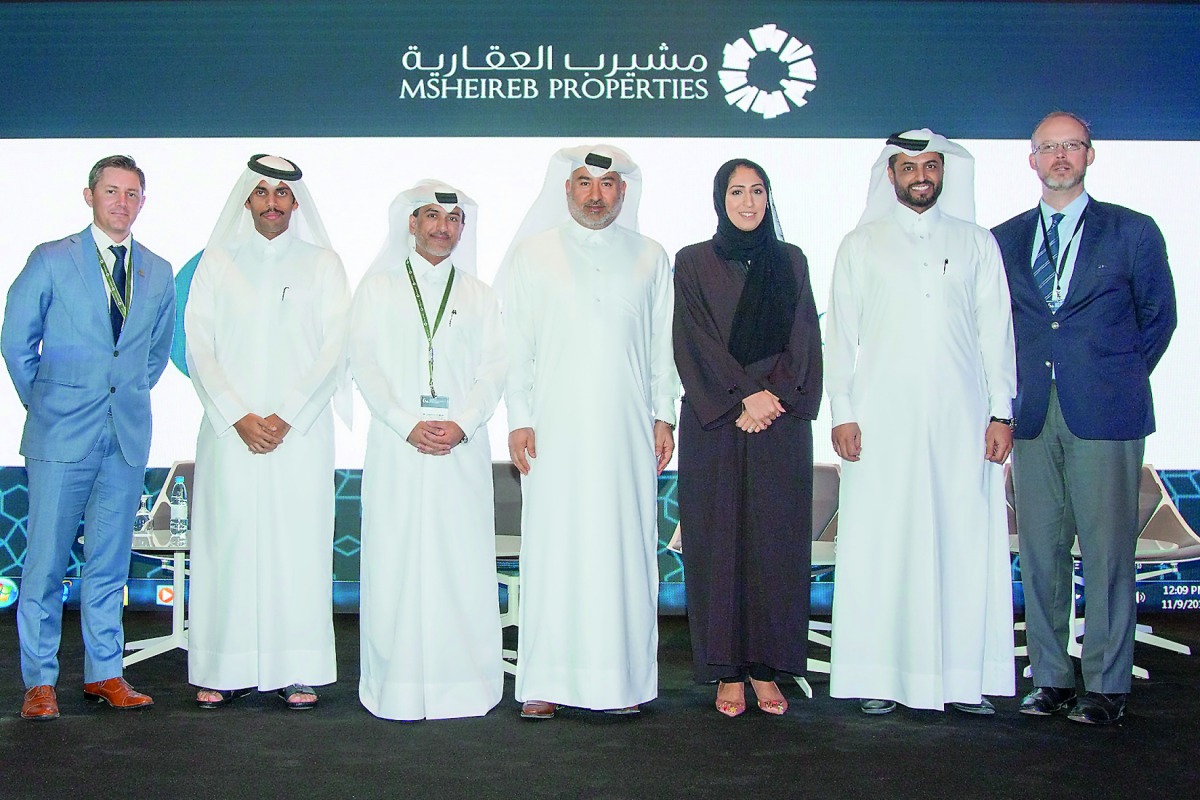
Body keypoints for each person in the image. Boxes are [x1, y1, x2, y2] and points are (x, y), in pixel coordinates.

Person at [992, 112, 1176, 725]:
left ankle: (1105, 682)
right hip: (1034, 416)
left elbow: (1159, 318)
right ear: (1032, 161)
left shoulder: (1133, 231)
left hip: (1106, 412)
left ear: (1091, 155)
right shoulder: (1004, 238)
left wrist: (1113, 374)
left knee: (1107, 552)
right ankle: (1049, 677)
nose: (1060, 158)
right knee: (1042, 552)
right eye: (1048, 148)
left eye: (1072, 147)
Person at [825, 130, 1017, 716]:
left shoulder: (977, 242)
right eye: (909, 167)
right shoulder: (860, 244)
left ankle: (963, 678)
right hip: (881, 424)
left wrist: (1001, 412)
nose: (921, 176)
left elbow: (997, 334)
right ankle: (881, 678)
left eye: (931, 165)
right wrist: (843, 413)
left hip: (963, 423)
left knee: (961, 543)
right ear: (891, 176)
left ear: (943, 172)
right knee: (884, 545)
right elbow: (840, 336)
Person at [501, 144, 679, 720]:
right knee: (556, 549)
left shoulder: (651, 256)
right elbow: (517, 348)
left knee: (621, 549)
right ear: (567, 190)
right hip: (552, 431)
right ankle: (545, 682)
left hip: (627, 431)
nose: (595, 194)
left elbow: (661, 348)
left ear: (622, 193)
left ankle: (619, 682)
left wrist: (664, 415)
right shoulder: (531, 255)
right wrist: (519, 418)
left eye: (606, 185)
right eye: (584, 183)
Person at [2, 155, 176, 720]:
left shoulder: (158, 270)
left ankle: (105, 673)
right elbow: (15, 341)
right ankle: (40, 682)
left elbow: (152, 356)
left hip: (124, 437)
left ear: (142, 202)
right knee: (46, 564)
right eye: (111, 191)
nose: (121, 202)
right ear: (89, 195)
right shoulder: (51, 260)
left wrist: (117, 393)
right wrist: (47, 400)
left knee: (108, 563)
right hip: (59, 436)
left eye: (132, 193)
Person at [184, 154, 351, 710]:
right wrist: (237, 414)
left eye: (282, 194)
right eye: (261, 193)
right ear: (247, 200)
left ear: (296, 203)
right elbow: (199, 345)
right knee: (228, 543)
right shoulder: (217, 262)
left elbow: (334, 348)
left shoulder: (323, 263)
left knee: (296, 545)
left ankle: (295, 668)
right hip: (231, 434)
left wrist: (286, 415)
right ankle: (223, 667)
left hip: (298, 435)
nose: (272, 203)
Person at [351, 180, 507, 720]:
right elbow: (364, 366)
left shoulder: (481, 295)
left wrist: (461, 424)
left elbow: (494, 372)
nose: (443, 228)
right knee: (395, 561)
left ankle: (463, 686)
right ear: (411, 224)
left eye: (454, 219)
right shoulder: (376, 290)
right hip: (398, 448)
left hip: (461, 450)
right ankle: (395, 686)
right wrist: (404, 422)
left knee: (459, 565)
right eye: (432, 217)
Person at [672, 159, 822, 717]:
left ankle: (766, 668)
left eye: (758, 191)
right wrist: (741, 398)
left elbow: (805, 336)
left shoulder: (792, 261)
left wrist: (773, 397)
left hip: (778, 424)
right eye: (737, 192)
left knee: (774, 545)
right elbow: (693, 341)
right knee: (719, 545)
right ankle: (725, 672)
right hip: (718, 422)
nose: (748, 202)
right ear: (720, 198)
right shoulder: (692, 262)